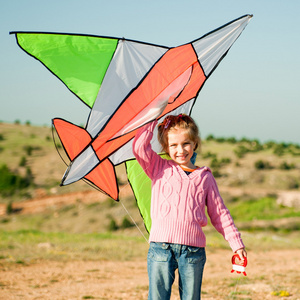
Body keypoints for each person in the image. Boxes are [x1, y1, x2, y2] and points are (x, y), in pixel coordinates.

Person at [132, 114, 247, 300]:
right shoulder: (158, 168)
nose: (180, 150)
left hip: (193, 252)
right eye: (173, 145)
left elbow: (220, 214)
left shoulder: (205, 177)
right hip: (161, 248)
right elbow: (139, 147)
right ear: (166, 148)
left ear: (195, 144)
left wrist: (236, 244)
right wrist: (153, 117)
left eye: (186, 143)